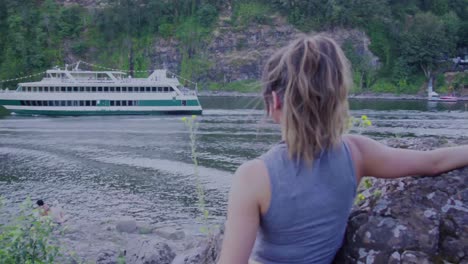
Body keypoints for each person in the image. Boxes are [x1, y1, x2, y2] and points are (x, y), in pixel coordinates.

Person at [218, 34, 468, 264]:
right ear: (336, 98)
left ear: (273, 102)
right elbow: (435, 162)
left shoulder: (253, 176)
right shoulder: (357, 153)